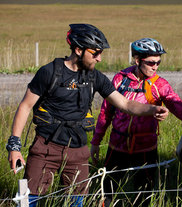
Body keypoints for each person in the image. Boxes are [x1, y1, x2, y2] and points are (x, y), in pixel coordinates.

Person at [6, 25, 169, 207]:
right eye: (95, 53)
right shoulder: (49, 72)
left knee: (76, 203)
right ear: (78, 50)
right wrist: (14, 146)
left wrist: (152, 110)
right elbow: (25, 106)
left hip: (78, 152)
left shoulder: (95, 77)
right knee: (29, 201)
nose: (99, 58)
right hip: (45, 148)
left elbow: (125, 104)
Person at [90, 38, 182, 206]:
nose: (156, 67)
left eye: (158, 62)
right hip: (117, 146)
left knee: (143, 197)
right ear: (137, 60)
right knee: (106, 194)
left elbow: (180, 108)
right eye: (151, 62)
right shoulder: (120, 79)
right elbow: (106, 112)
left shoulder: (160, 84)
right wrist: (96, 141)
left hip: (146, 149)